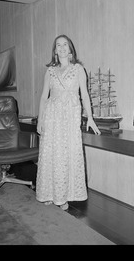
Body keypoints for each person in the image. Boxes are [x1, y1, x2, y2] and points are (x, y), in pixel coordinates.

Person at [36, 34, 101, 211]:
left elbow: (85, 95)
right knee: (52, 154)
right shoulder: (49, 71)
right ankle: (50, 193)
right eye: (58, 45)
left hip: (70, 117)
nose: (62, 48)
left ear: (70, 49)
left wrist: (90, 118)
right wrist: (40, 120)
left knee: (67, 155)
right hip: (52, 117)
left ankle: (63, 196)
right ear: (55, 50)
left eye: (65, 44)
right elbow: (43, 97)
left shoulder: (79, 69)